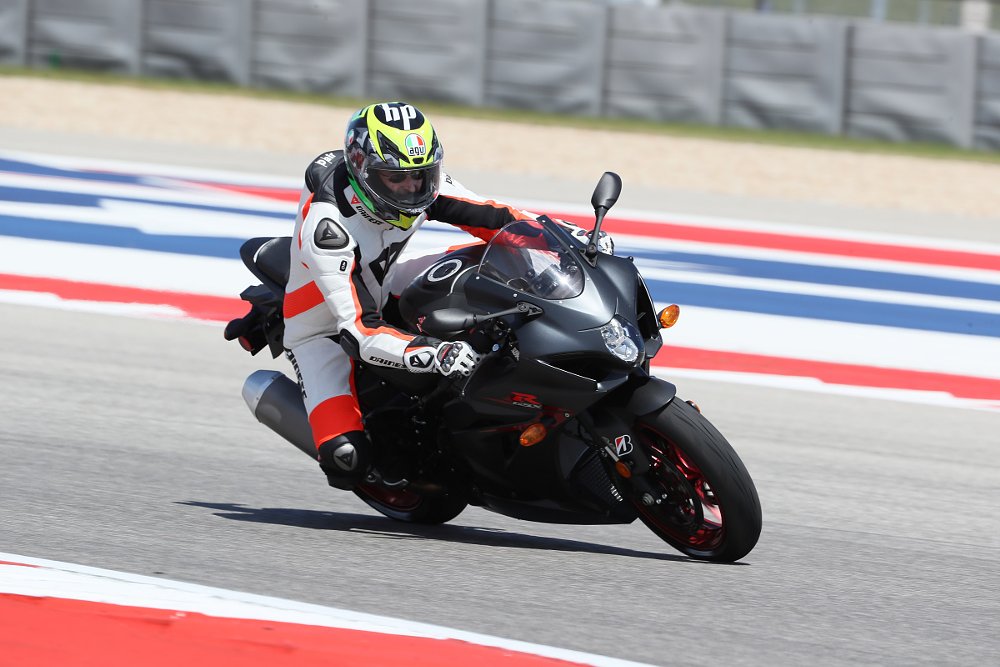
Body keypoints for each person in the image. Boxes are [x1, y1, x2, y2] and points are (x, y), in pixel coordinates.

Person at [279, 101, 613, 490]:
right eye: (396, 179)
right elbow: (359, 332)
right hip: (325, 328)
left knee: (500, 271)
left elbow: (495, 217)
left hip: (386, 279)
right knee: (347, 459)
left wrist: (563, 238)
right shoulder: (328, 230)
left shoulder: (419, 184)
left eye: (420, 176)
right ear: (363, 171)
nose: (411, 189)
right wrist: (436, 353)